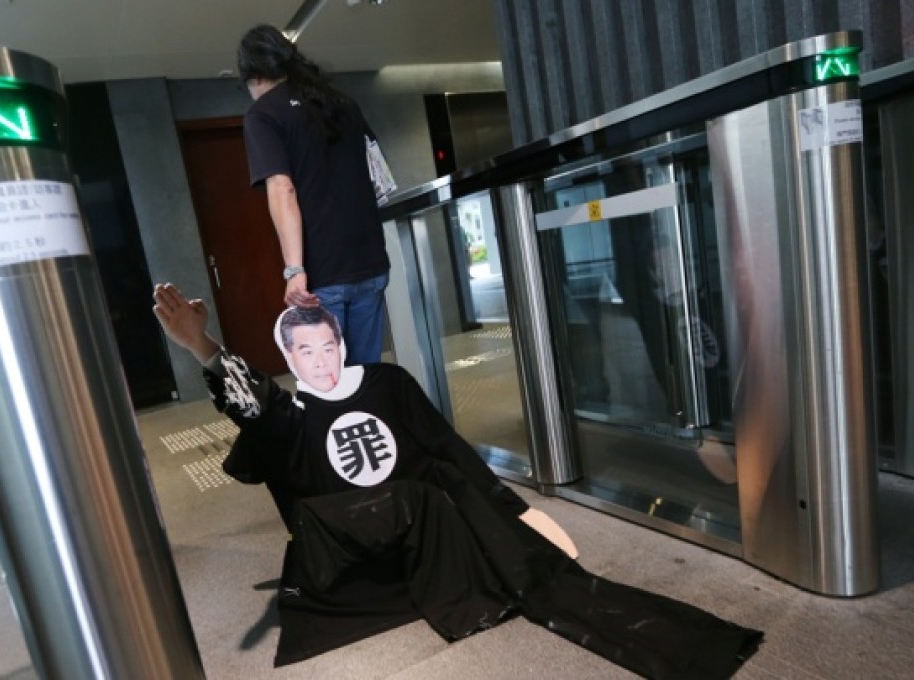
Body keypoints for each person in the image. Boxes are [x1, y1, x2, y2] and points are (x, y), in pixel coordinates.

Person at [152, 282, 762, 678]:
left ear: (342, 342)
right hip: (356, 553)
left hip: (430, 534)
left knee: (489, 536)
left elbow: (446, 446)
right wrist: (206, 347)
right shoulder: (292, 414)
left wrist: (512, 509)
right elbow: (253, 406)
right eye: (305, 352)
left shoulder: (387, 384)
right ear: (289, 360)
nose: (322, 360)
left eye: (329, 345)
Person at [238, 24, 391, 364]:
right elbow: (377, 174)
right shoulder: (343, 103)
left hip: (322, 275)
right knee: (365, 378)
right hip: (370, 262)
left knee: (330, 387)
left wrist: (294, 271)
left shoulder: (263, 114)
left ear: (254, 75)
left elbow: (282, 187)